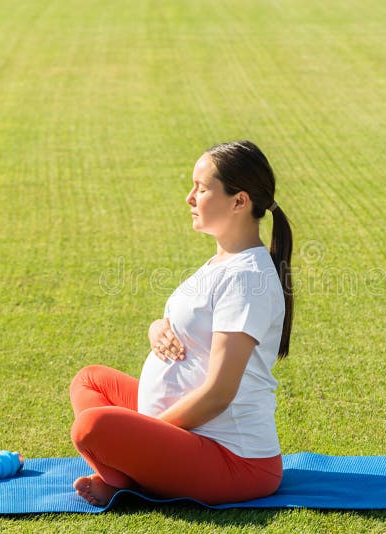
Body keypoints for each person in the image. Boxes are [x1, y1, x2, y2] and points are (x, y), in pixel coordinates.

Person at [69, 140, 295, 506]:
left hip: (232, 459)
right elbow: (189, 324)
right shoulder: (222, 263)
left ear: (239, 201)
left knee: (91, 428)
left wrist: (149, 434)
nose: (190, 198)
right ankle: (130, 471)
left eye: (202, 189)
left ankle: (126, 473)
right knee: (89, 380)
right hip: (186, 434)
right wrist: (157, 328)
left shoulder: (247, 279)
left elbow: (219, 394)